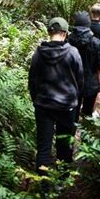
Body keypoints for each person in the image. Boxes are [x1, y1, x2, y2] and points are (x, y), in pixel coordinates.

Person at [28, 16, 83, 174]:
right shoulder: (73, 52)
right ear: (65, 33)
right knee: (64, 145)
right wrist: (74, 99)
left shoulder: (38, 53)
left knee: (44, 148)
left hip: (43, 105)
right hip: (67, 106)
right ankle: (62, 180)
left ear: (48, 32)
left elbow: (33, 81)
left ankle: (44, 187)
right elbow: (80, 80)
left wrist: (37, 100)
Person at [68, 11, 100, 119]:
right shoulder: (96, 42)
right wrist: (99, 83)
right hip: (91, 83)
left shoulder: (68, 40)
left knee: (73, 114)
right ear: (88, 25)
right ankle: (85, 133)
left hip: (73, 83)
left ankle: (73, 133)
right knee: (87, 114)